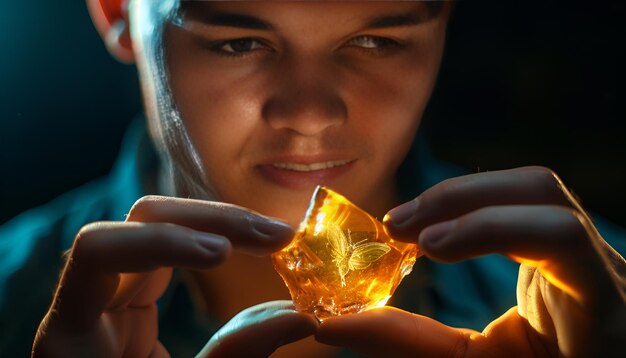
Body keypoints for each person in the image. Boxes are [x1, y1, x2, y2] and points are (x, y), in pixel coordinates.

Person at [0, 1, 624, 357]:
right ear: (115, 10)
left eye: (377, 41)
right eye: (238, 43)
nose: (310, 115)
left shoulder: (602, 308)